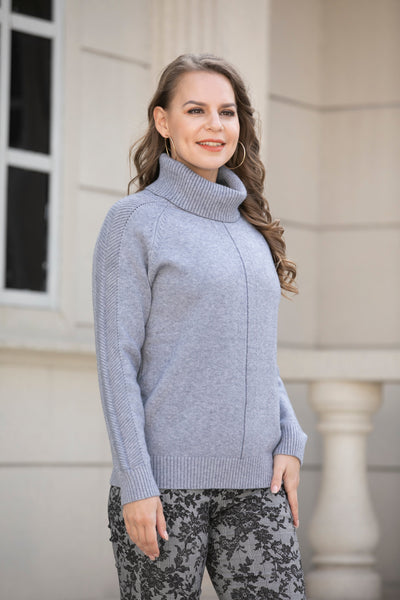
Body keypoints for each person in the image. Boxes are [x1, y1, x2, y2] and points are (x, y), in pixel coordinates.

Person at [92, 53, 308, 600]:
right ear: (163, 121)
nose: (215, 125)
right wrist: (136, 481)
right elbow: (117, 361)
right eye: (196, 110)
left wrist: (289, 437)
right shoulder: (133, 222)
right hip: (166, 489)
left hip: (258, 484)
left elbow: (254, 354)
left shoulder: (251, 228)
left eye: (226, 112)